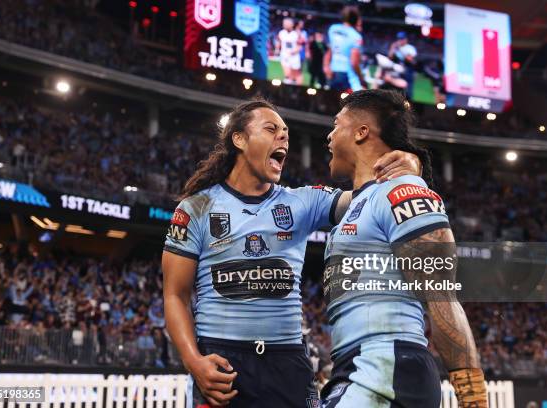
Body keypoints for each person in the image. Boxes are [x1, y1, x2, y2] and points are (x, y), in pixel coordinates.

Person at [161, 99, 422, 407]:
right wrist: (193, 360)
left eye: (285, 131)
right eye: (271, 129)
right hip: (223, 364)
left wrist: (409, 167)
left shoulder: (302, 202)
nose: (283, 136)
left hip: (288, 362)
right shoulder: (195, 208)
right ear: (239, 139)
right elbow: (175, 295)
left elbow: (370, 196)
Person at [321, 89, 488, 407]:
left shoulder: (404, 192)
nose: (329, 136)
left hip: (390, 368)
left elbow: (441, 296)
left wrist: (473, 398)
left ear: (361, 132)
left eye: (336, 124)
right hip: (357, 369)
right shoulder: (357, 204)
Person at [324, 6, 366, 91]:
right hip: (348, 75)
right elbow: (354, 62)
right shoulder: (356, 36)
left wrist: (326, 66)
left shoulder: (333, 29)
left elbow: (329, 51)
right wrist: (361, 78)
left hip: (334, 71)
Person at [277, 18, 303, 85]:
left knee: (296, 75)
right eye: (284, 23)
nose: (285, 25)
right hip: (284, 56)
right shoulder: (281, 33)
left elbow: (300, 46)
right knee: (287, 75)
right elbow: (279, 42)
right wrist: (277, 49)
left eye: (287, 23)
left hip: (294, 57)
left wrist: (294, 51)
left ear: (292, 24)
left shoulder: (296, 34)